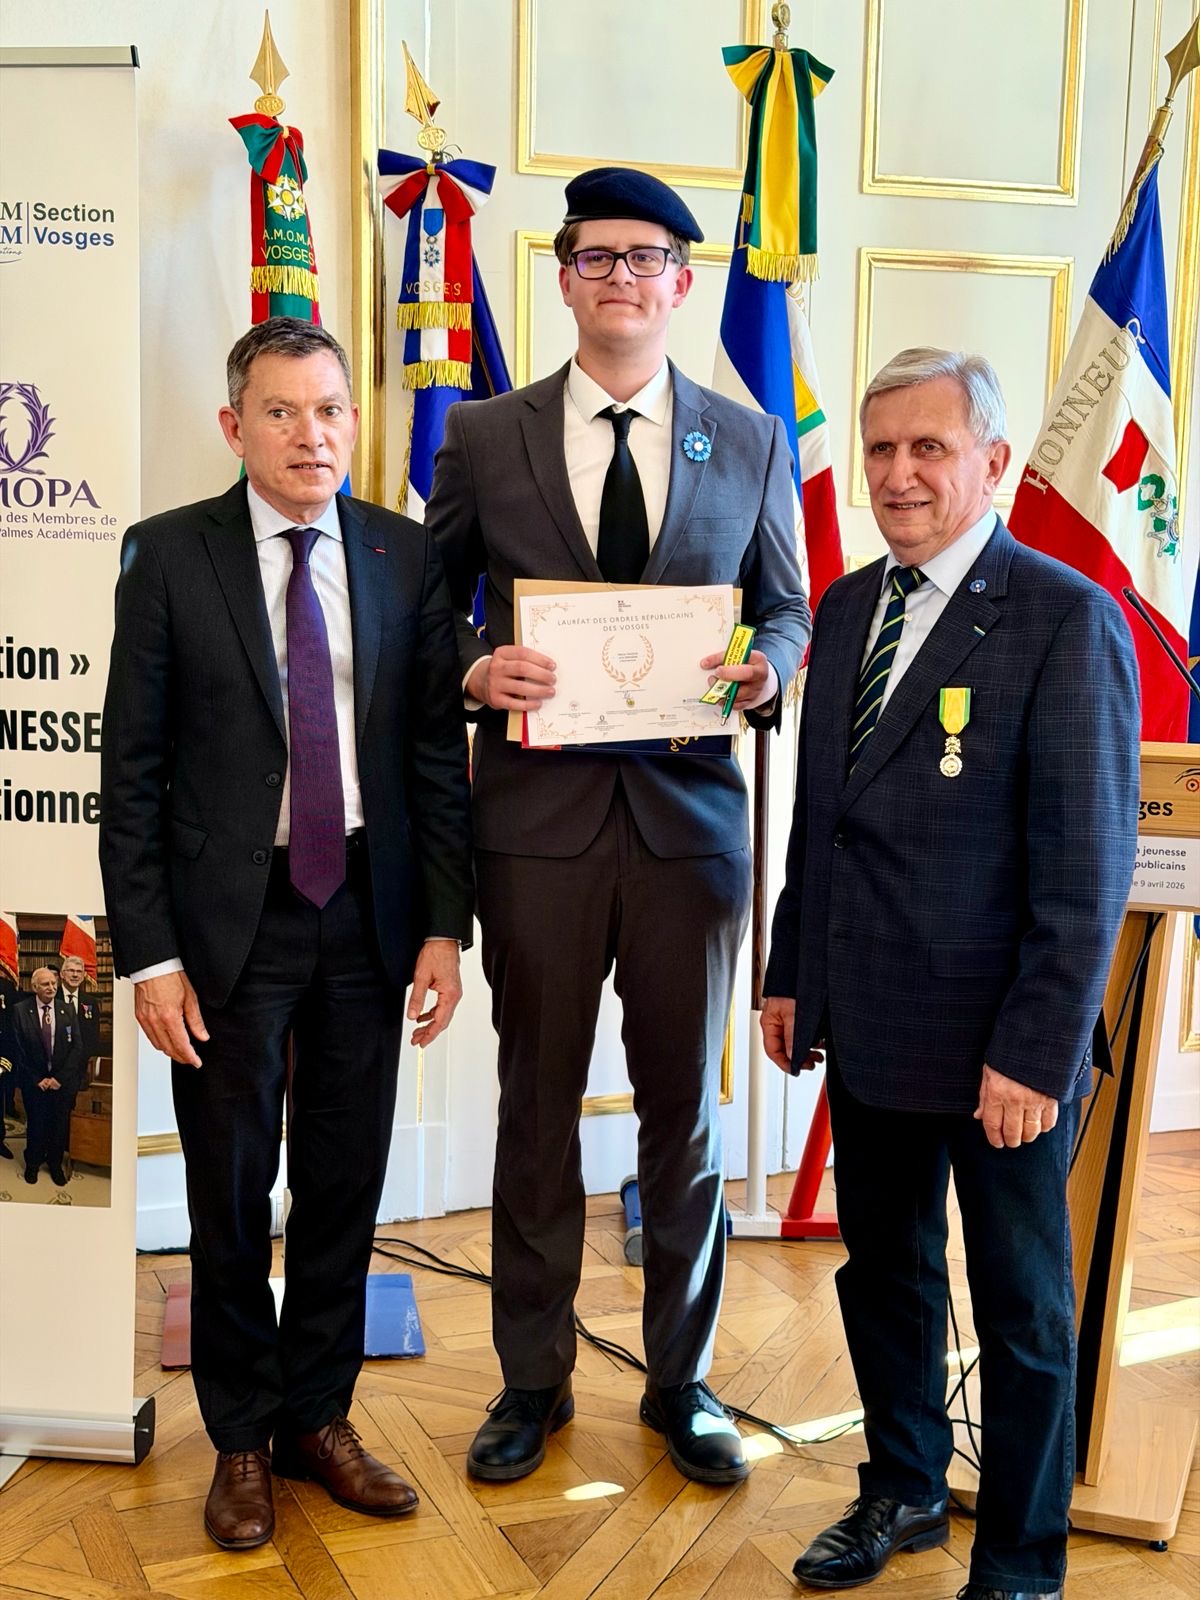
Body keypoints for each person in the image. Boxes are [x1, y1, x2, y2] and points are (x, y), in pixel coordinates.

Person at [426, 167, 810, 1486]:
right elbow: (432, 610)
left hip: (690, 833)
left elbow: (787, 607)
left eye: (647, 258)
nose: (622, 278)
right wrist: (476, 667)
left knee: (682, 1118)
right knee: (534, 1109)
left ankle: (681, 1379)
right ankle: (531, 1380)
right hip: (533, 830)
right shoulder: (486, 435)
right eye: (597, 256)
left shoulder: (750, 441)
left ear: (682, 282)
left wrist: (769, 669)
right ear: (565, 275)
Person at [761, 348, 1139, 1600]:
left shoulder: (1064, 616)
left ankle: (1022, 1561)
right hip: (870, 1025)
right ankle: (905, 1486)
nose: (900, 473)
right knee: (888, 1276)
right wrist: (791, 972)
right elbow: (822, 820)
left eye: (931, 447)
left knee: (1024, 1312)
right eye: (882, 449)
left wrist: (1034, 1052)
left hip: (1000, 1053)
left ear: (993, 462)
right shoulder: (847, 608)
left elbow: (1085, 871)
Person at [100, 318, 474, 1551]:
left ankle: (318, 1417)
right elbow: (132, 773)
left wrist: (444, 925)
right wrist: (150, 955)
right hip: (230, 922)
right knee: (226, 1184)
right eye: (281, 411)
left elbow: (433, 754)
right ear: (234, 426)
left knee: (343, 1178)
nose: (312, 434)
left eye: (330, 409)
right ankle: (242, 1439)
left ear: (353, 421)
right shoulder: (168, 555)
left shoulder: (405, 554)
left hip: (368, 907)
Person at [12, 967, 85, 1186]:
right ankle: (33, 1164)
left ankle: (55, 1164)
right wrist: (37, 1079)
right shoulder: (20, 1010)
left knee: (58, 1125)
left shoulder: (67, 1009)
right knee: (36, 1124)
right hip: (34, 1082)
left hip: (61, 1082)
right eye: (45, 984)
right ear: (35, 987)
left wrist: (59, 1078)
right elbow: (17, 1049)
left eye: (53, 983)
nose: (51, 987)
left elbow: (77, 1047)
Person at [57, 954, 101, 1069]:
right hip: (56, 1065)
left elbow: (94, 1036)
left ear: (83, 976)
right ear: (62, 974)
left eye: (79, 971)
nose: (75, 975)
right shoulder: (52, 998)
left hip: (82, 1066)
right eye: (71, 971)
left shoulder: (90, 1002)